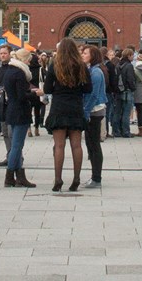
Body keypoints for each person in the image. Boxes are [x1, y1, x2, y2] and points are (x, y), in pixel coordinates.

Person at [43, 37, 90, 192]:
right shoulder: (81, 66)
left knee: (59, 145)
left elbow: (48, 88)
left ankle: (58, 179)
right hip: (76, 107)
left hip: (59, 107)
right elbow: (88, 88)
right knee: (76, 145)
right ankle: (76, 178)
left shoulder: (55, 65)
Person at [1, 47, 38, 188]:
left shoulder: (9, 71)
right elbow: (22, 96)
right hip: (20, 111)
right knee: (17, 145)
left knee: (16, 145)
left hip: (11, 110)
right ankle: (10, 176)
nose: (30, 62)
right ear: (24, 60)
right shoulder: (20, 73)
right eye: (29, 60)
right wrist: (35, 94)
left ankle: (19, 176)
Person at [82, 45, 108, 188]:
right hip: (92, 109)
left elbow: (93, 94)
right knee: (90, 144)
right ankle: (94, 176)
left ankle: (96, 177)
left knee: (94, 144)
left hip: (94, 111)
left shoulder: (96, 72)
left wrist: (85, 111)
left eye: (86, 53)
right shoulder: (92, 70)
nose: (83, 55)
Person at [114, 48, 136, 138]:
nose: (133, 57)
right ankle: (126, 132)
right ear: (129, 55)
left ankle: (116, 131)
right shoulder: (129, 66)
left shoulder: (118, 64)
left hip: (118, 91)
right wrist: (133, 88)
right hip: (127, 91)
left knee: (117, 112)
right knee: (126, 113)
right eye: (132, 55)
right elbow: (130, 79)